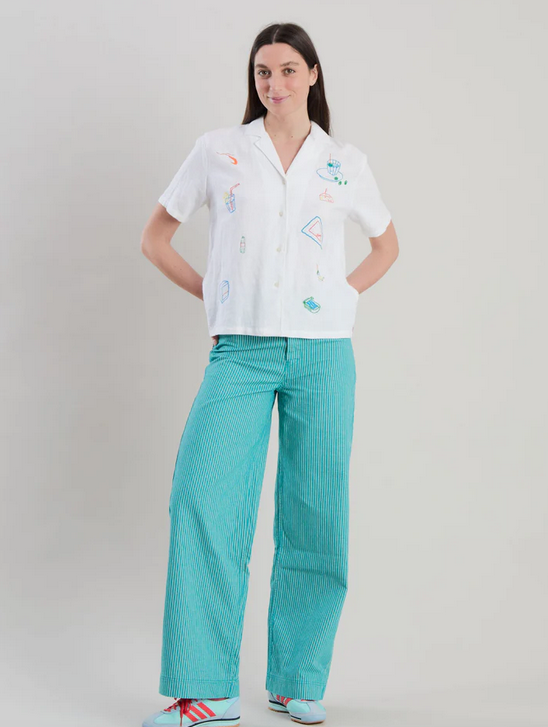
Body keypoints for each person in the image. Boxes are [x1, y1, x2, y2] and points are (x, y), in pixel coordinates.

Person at [140, 21, 399, 727]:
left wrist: (343, 295)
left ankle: (297, 679)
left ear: (313, 74)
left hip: (324, 353)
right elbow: (155, 238)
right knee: (203, 502)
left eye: (288, 69)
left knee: (317, 515)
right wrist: (214, 295)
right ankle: (206, 689)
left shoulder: (344, 162)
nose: (275, 83)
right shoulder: (219, 151)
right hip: (241, 351)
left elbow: (386, 245)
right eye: (263, 71)